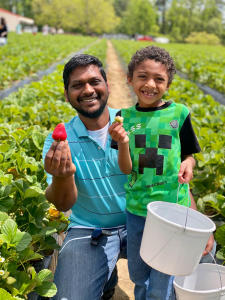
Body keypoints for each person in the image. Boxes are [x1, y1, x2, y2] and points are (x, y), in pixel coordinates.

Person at [43, 53, 212, 300]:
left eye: (94, 82)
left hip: (152, 220)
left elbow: (169, 174)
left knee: (202, 253)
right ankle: (104, 275)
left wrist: (193, 216)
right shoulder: (60, 141)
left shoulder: (133, 121)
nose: (88, 90)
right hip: (93, 230)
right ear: (67, 94)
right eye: (77, 85)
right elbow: (62, 204)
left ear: (108, 86)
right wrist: (62, 176)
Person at [108, 45, 215, 300]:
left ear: (168, 84)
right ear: (129, 78)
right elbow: (126, 168)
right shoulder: (125, 118)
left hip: (172, 211)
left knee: (164, 276)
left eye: (159, 79)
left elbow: (188, 156)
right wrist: (122, 143)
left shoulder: (179, 114)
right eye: (142, 76)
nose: (150, 84)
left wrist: (188, 164)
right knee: (138, 272)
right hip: (137, 210)